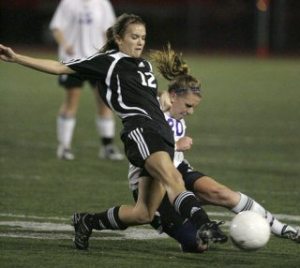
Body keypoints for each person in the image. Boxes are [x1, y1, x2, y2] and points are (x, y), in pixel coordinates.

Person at [0, 14, 228, 253]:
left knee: (143, 213)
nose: (140, 42)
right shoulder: (107, 61)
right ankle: (205, 224)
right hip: (140, 130)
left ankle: (87, 221)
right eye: (134, 37)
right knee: (174, 178)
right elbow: (60, 67)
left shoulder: (145, 66)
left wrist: (160, 96)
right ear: (119, 39)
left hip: (160, 133)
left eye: (143, 37)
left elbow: (141, 94)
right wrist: (16, 58)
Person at [128, 46, 300, 252]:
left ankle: (285, 230)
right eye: (188, 105)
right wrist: (175, 143)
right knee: (198, 245)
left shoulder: (176, 109)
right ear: (173, 96)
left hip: (177, 170)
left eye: (194, 107)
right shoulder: (155, 107)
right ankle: (152, 216)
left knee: (222, 193)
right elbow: (141, 139)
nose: (190, 112)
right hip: (151, 180)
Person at [49, 0, 123, 160]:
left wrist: (109, 50)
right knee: (71, 102)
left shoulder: (102, 4)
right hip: (73, 60)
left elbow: (110, 30)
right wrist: (65, 44)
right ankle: (64, 147)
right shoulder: (68, 3)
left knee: (104, 102)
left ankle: (107, 147)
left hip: (97, 61)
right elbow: (56, 28)